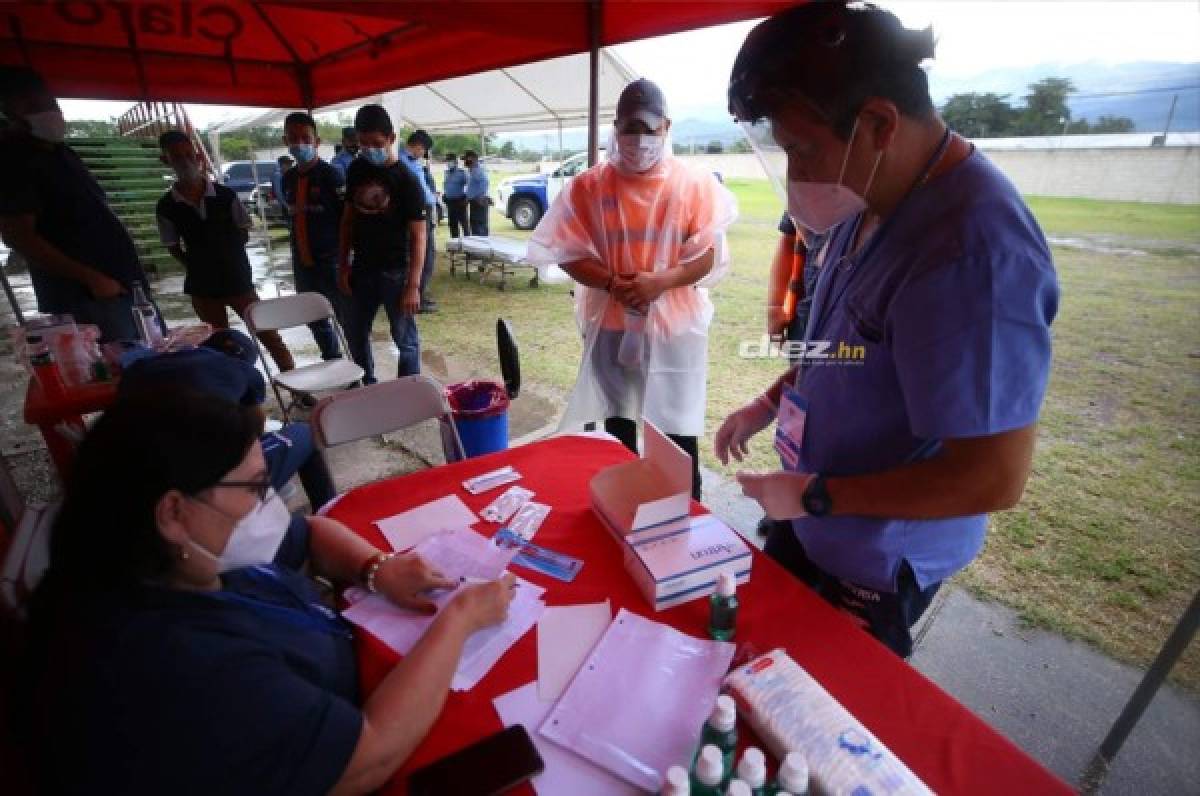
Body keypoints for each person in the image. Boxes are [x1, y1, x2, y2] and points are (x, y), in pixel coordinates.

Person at [719, 2, 1059, 658]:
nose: (796, 177)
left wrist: (819, 495)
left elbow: (993, 475)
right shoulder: (866, 198)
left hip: (873, 557)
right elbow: (847, 346)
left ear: (877, 123)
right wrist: (767, 405)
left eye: (802, 149)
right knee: (753, 654)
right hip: (814, 514)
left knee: (817, 717)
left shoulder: (974, 252)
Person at [21, 388, 516, 794]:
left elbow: (313, 536)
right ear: (173, 512)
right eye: (255, 488)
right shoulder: (178, 663)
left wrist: (376, 568)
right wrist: (458, 620)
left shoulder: (160, 555)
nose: (269, 504)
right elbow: (367, 759)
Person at [527, 78, 736, 500]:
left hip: (672, 329)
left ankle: (684, 511)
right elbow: (564, 250)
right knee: (617, 427)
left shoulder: (692, 184)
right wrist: (611, 282)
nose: (638, 140)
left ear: (666, 127)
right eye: (629, 129)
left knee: (676, 433)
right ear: (615, 127)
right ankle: (621, 504)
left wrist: (662, 281)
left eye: (648, 129)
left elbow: (709, 255)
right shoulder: (589, 186)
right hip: (611, 325)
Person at [0, 66, 155, 342]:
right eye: (34, 105)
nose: (49, 111)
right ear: (10, 111)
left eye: (51, 103)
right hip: (88, 298)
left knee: (153, 357)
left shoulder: (62, 152)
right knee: (125, 369)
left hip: (119, 286)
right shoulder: (14, 160)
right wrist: (92, 278)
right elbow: (18, 235)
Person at [118, 328, 337, 511]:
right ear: (242, 360)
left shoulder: (140, 366)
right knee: (305, 433)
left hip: (140, 487)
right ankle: (330, 512)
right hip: (208, 490)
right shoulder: (242, 371)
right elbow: (254, 431)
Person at [155, 130, 295, 372]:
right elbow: (172, 246)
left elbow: (244, 231)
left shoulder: (225, 195)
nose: (185, 161)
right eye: (177, 157)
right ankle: (236, 397)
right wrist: (196, 264)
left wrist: (225, 255)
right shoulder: (166, 206)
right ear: (166, 161)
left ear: (198, 156)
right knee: (219, 344)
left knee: (269, 335)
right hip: (203, 288)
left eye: (189, 155)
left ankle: (299, 389)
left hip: (238, 280)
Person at [338, 105, 428, 384]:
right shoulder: (356, 169)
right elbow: (347, 221)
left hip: (396, 273)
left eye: (376, 144)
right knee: (355, 333)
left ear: (390, 138)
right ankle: (367, 386)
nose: (369, 150)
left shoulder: (407, 180)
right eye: (363, 144)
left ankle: (407, 392)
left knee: (405, 339)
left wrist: (413, 285)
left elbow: (419, 236)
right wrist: (343, 265)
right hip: (362, 269)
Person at [281, 111, 345, 361]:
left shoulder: (331, 175)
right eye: (293, 138)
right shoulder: (288, 178)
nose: (300, 144)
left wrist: (346, 258)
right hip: (302, 259)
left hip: (331, 259)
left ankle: (358, 368)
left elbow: (346, 220)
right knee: (312, 314)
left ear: (317, 141)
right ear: (285, 141)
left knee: (343, 314)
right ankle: (332, 358)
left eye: (305, 138)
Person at [400, 130, 439, 313]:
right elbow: (420, 192)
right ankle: (417, 297)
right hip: (418, 212)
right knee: (424, 256)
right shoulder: (405, 162)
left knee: (417, 255)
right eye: (423, 150)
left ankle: (419, 294)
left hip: (419, 210)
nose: (422, 155)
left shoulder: (406, 160)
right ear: (419, 146)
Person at [463, 149, 490, 236]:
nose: (465, 161)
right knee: (475, 226)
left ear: (473, 159)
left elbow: (485, 182)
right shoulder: (473, 170)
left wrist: (480, 196)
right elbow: (473, 187)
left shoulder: (477, 170)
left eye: (466, 159)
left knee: (479, 227)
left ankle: (481, 248)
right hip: (475, 202)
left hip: (478, 202)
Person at [442, 153, 468, 238]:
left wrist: (466, 198)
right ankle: (455, 245)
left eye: (450, 161)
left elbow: (469, 186)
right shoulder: (446, 173)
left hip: (460, 201)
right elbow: (446, 186)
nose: (448, 163)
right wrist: (445, 195)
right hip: (450, 202)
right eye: (447, 161)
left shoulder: (462, 173)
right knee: (452, 224)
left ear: (455, 162)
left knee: (464, 224)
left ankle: (468, 243)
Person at [271, 154, 293, 219]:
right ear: (282, 165)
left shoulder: (289, 174)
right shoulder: (278, 175)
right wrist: (287, 206)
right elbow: (279, 193)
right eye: (288, 164)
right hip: (287, 205)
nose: (290, 166)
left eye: (290, 164)